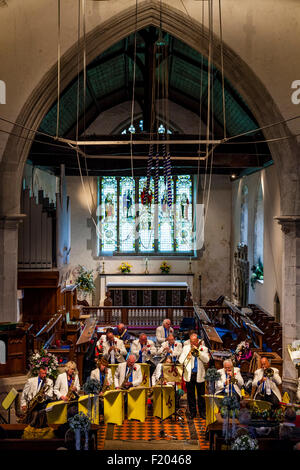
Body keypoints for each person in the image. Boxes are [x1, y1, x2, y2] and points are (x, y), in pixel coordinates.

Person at [179, 333, 209, 419]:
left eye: (194, 342)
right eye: (191, 342)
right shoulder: (185, 348)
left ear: (198, 341)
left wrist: (198, 352)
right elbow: (181, 361)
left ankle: (202, 412)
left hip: (200, 375)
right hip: (189, 375)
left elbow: (206, 360)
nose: (192, 344)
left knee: (201, 395)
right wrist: (188, 355)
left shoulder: (204, 349)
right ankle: (192, 413)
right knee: (190, 395)